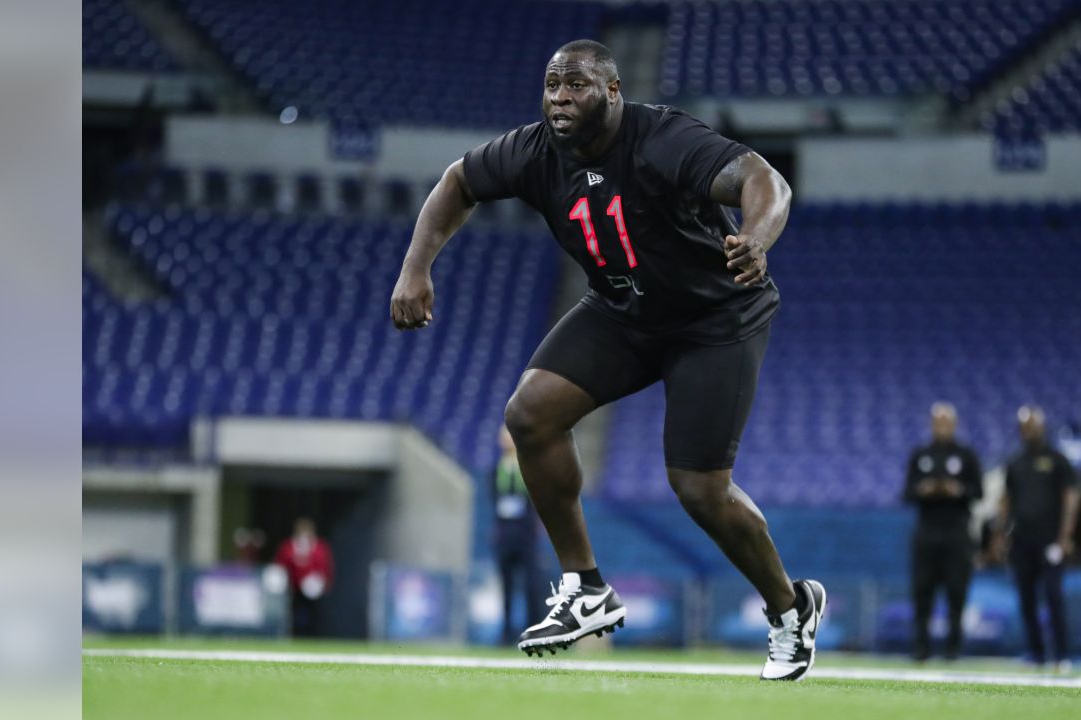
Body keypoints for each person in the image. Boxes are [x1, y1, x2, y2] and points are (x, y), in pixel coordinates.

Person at [389, 39, 825, 680]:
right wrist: (415, 268)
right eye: (552, 84)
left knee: (699, 489)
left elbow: (765, 179)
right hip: (625, 309)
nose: (560, 98)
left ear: (614, 92)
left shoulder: (664, 137)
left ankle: (791, 609)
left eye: (577, 85)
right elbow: (458, 180)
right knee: (530, 415)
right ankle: (585, 586)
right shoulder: (535, 149)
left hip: (715, 318)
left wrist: (756, 238)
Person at [998, 406, 1080, 671]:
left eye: (1033, 425)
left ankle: (1062, 655)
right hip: (1022, 540)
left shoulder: (1057, 460)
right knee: (1026, 598)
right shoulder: (1015, 462)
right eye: (1025, 426)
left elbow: (1071, 497)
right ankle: (1036, 653)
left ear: (1042, 427)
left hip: (1049, 540)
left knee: (1054, 595)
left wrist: (1064, 536)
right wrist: (1001, 534)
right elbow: (1006, 500)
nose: (1029, 431)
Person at [902, 402, 983, 661]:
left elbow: (978, 492)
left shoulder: (966, 455)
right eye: (938, 422)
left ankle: (952, 648)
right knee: (922, 590)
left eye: (946, 422)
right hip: (927, 531)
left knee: (956, 591)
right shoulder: (921, 454)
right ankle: (921, 648)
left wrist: (957, 490)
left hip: (957, 533)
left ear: (954, 424)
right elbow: (906, 493)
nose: (942, 427)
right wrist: (923, 490)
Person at [492, 425, 544, 644]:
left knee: (532, 585)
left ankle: (535, 630)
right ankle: (506, 634)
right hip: (505, 535)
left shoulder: (529, 468)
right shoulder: (496, 469)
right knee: (506, 586)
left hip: (526, 535)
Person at [273, 517, 334, 637]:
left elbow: (325, 565)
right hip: (293, 587)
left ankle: (314, 636)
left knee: (315, 614)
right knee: (292, 613)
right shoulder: (289, 546)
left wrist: (325, 582)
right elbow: (281, 563)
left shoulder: (319, 547)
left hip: (314, 589)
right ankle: (293, 635)